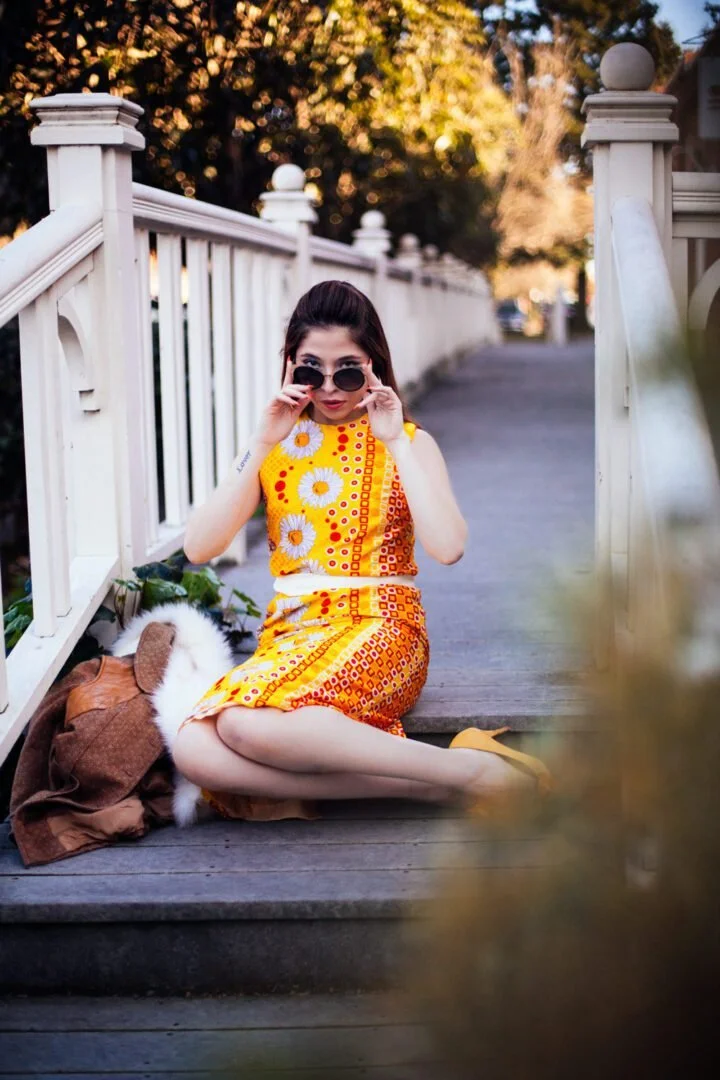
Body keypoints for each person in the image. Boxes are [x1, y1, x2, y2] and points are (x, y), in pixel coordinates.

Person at [173, 280, 551, 820]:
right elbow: (200, 545)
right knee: (193, 746)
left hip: (384, 627)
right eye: (310, 370)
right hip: (294, 636)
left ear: (373, 365)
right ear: (289, 367)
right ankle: (445, 780)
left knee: (239, 722)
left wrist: (395, 439)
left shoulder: (411, 442)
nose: (330, 388)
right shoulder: (276, 443)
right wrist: (259, 444)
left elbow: (448, 548)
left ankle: (473, 774)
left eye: (347, 371)